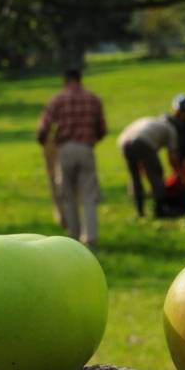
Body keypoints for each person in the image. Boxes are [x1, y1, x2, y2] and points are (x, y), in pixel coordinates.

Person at [36, 69, 106, 248]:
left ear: (65, 81)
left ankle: (74, 237)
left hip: (64, 150)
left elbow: (43, 128)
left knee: (68, 195)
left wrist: (45, 142)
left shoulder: (57, 100)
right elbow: (102, 129)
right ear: (80, 80)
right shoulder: (93, 99)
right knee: (89, 195)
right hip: (86, 149)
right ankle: (90, 238)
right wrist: (91, 139)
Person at [117, 115, 181, 218]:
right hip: (142, 140)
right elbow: (172, 156)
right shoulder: (171, 129)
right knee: (156, 174)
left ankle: (140, 211)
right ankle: (160, 210)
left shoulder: (151, 121)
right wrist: (178, 173)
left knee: (135, 177)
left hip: (123, 141)